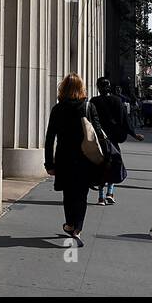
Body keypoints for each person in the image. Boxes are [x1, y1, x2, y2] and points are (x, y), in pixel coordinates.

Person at [45, 73, 104, 246]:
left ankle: (70, 224)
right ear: (81, 88)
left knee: (68, 194)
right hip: (85, 157)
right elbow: (99, 133)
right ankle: (77, 227)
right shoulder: (88, 107)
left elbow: (50, 138)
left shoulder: (58, 109)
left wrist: (49, 163)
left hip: (64, 157)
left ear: (63, 88)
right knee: (81, 194)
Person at [90, 78, 136, 205]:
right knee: (114, 165)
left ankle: (100, 196)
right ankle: (110, 193)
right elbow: (124, 120)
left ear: (98, 87)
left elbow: (89, 121)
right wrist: (133, 134)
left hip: (99, 139)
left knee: (100, 166)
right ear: (110, 86)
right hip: (112, 140)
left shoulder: (94, 101)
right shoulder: (117, 101)